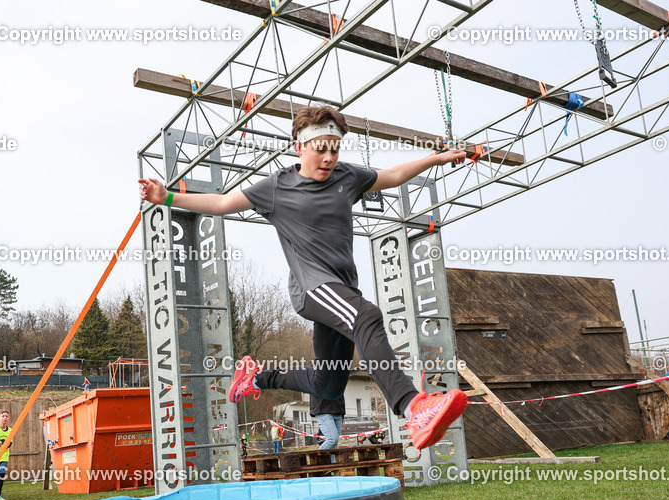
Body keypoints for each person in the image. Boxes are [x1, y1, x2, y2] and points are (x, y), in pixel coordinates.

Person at [139, 106, 468, 451]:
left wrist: (437, 159)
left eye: (335, 149)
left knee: (328, 385)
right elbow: (222, 203)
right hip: (312, 289)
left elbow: (394, 174)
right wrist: (167, 197)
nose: (328, 158)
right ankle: (413, 407)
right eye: (320, 149)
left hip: (341, 290)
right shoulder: (277, 187)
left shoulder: (348, 177)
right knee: (367, 316)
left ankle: (257, 376)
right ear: (299, 147)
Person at [312, 394, 345, 464]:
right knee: (332, 439)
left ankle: (332, 469)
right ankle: (316, 461)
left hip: (338, 411)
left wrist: (343, 414)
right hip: (323, 410)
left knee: (334, 444)